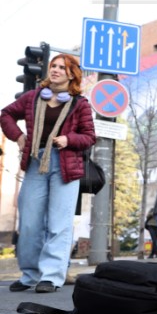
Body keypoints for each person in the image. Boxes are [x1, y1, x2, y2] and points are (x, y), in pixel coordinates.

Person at [0, 54, 96, 293]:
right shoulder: (32, 97)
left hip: (65, 166)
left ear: (71, 74)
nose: (55, 70)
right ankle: (30, 275)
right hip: (35, 162)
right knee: (30, 223)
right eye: (53, 66)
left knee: (58, 223)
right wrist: (19, 137)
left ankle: (51, 277)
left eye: (61, 67)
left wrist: (68, 139)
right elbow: (6, 115)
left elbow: (89, 137)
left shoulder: (79, 103)